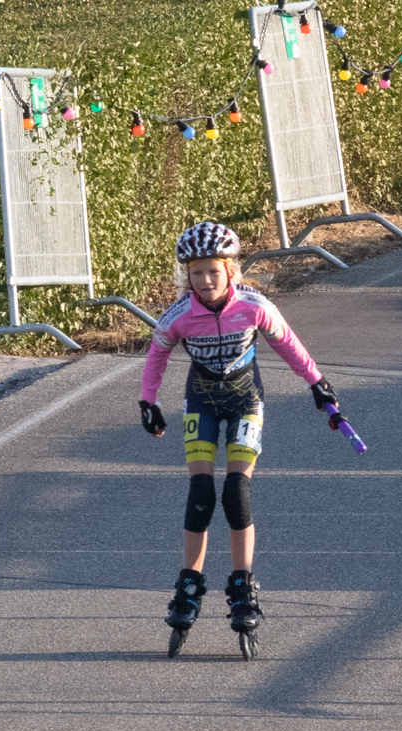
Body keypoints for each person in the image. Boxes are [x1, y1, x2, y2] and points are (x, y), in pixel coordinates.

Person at [137, 222, 337, 641]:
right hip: (202, 402)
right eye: (196, 273)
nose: (205, 281)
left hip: (246, 400)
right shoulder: (178, 316)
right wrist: (148, 402)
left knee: (235, 492)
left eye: (214, 271)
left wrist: (316, 382)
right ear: (186, 276)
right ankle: (189, 584)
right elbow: (156, 356)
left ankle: (243, 586)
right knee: (201, 493)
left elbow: (287, 343)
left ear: (231, 270)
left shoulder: (254, 305)